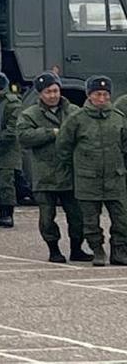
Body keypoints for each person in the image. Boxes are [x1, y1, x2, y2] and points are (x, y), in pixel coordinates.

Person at [18, 72, 92, 263]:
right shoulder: (29, 114)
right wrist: (51, 133)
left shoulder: (74, 111)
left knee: (77, 216)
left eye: (56, 90)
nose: (53, 95)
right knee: (47, 217)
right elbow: (24, 137)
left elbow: (86, 132)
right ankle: (54, 250)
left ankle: (77, 248)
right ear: (40, 94)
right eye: (48, 92)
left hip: (70, 173)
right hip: (45, 174)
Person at [56, 75, 127, 267]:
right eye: (97, 94)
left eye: (105, 94)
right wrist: (76, 168)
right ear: (89, 95)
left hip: (115, 178)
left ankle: (119, 251)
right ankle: (97, 250)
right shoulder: (77, 119)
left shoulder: (119, 118)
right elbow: (63, 146)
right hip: (87, 179)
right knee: (90, 221)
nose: (102, 99)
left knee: (122, 219)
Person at [0, 70, 22, 228]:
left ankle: (7, 215)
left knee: (6, 183)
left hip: (8, 151)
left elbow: (13, 129)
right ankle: (2, 214)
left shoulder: (11, 102)